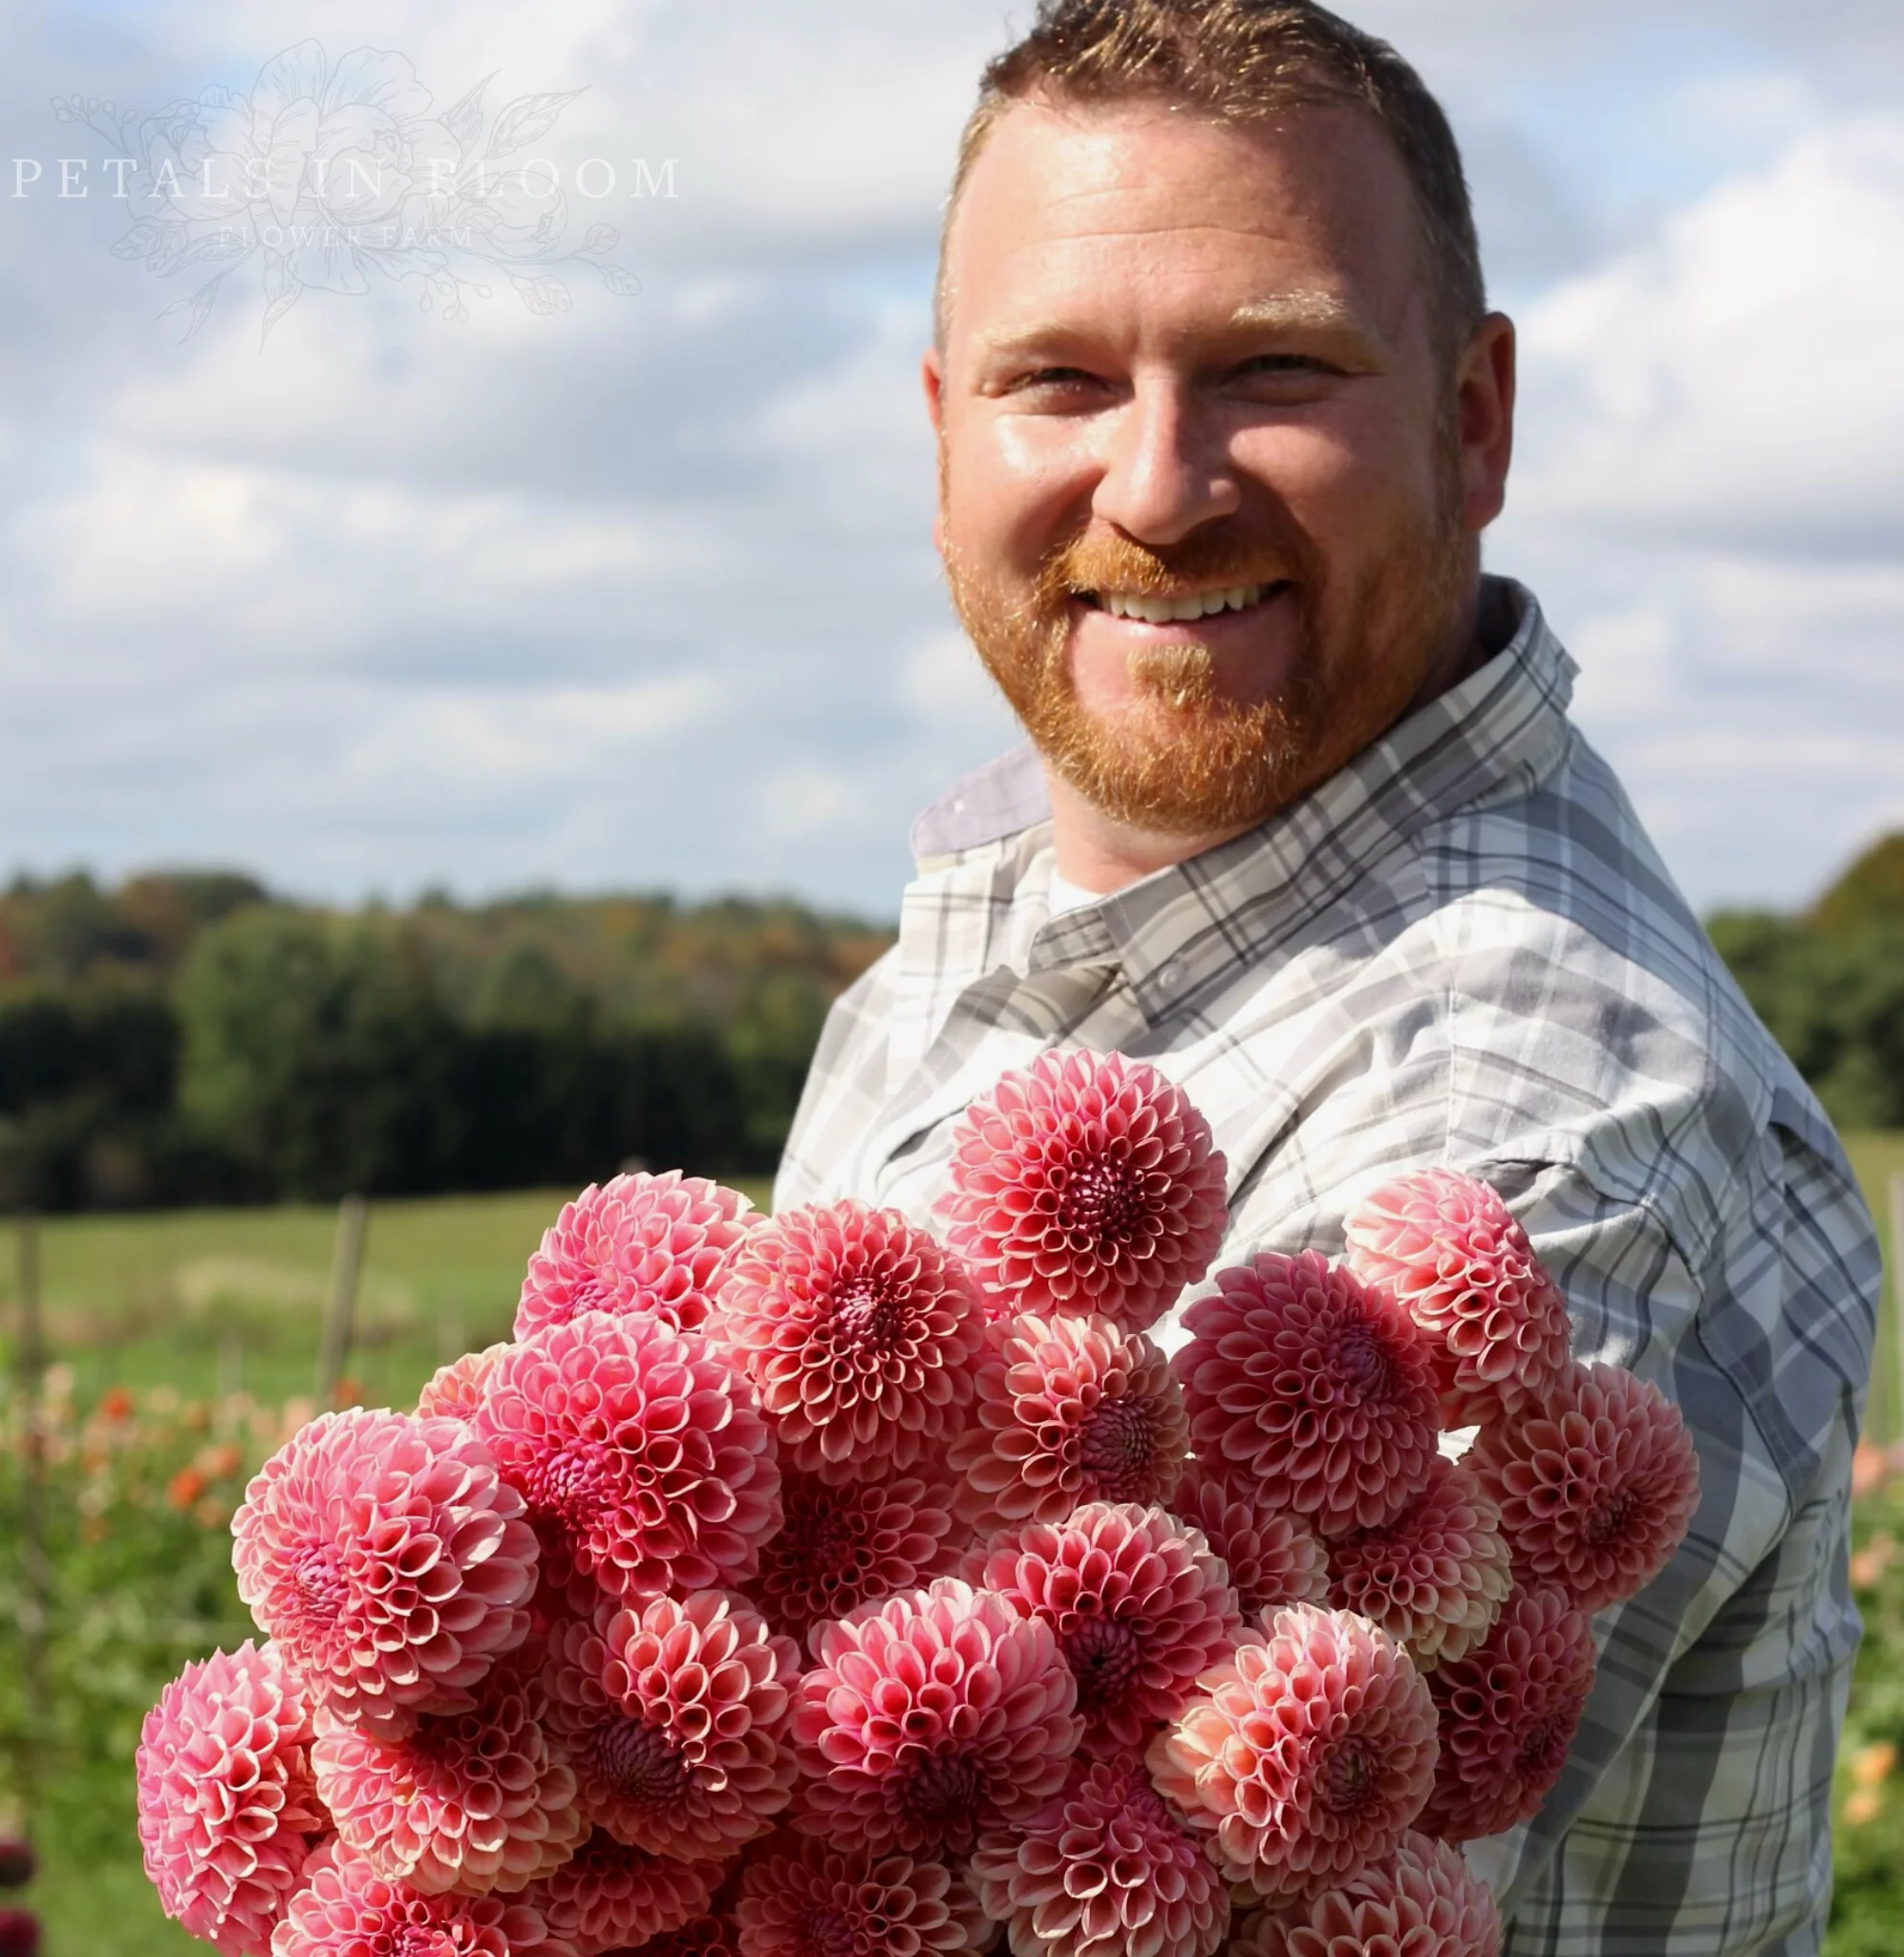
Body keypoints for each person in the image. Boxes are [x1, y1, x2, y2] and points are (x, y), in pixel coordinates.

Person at [775, 2, 1880, 1951]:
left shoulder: (1519, 1123)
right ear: (943, 431)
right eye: (1059, 382)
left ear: (1473, 421)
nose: (1155, 486)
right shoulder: (979, 953)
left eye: (1269, 368)